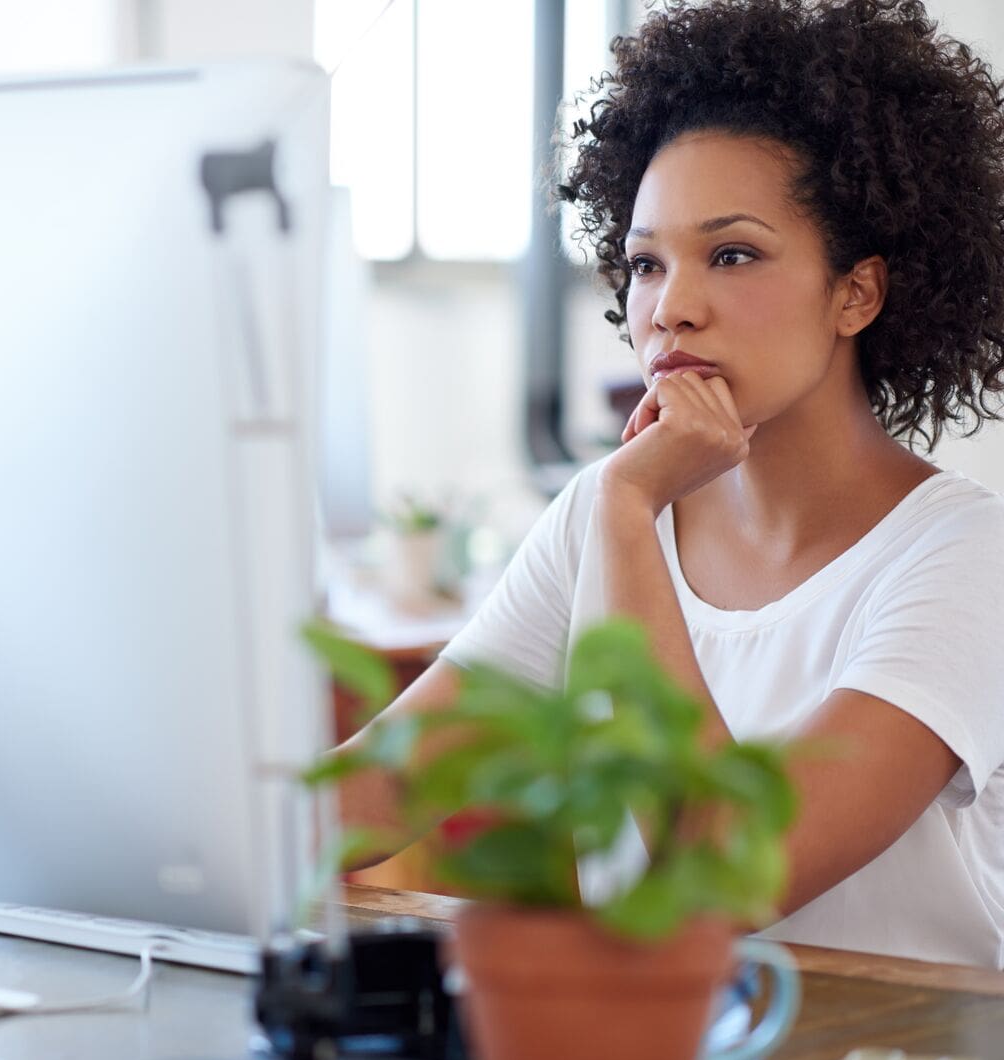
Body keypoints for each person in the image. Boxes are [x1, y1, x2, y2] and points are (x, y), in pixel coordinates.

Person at [339, 0, 1004, 968]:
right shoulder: (605, 518)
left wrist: (621, 506)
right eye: (645, 264)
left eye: (731, 254)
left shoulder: (966, 562)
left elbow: (721, 878)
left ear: (855, 293)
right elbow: (374, 796)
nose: (668, 311)